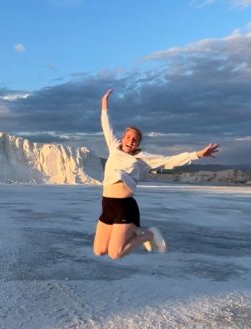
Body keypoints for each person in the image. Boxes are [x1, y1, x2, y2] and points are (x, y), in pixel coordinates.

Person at [94, 88, 220, 260]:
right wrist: (104, 105)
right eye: (129, 137)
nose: (131, 141)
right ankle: (134, 232)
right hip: (107, 204)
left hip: (125, 207)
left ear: (138, 143)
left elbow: (170, 161)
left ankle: (148, 236)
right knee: (99, 250)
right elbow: (106, 125)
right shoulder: (113, 147)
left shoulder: (142, 158)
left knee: (115, 254)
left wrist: (197, 154)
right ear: (122, 138)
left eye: (135, 139)